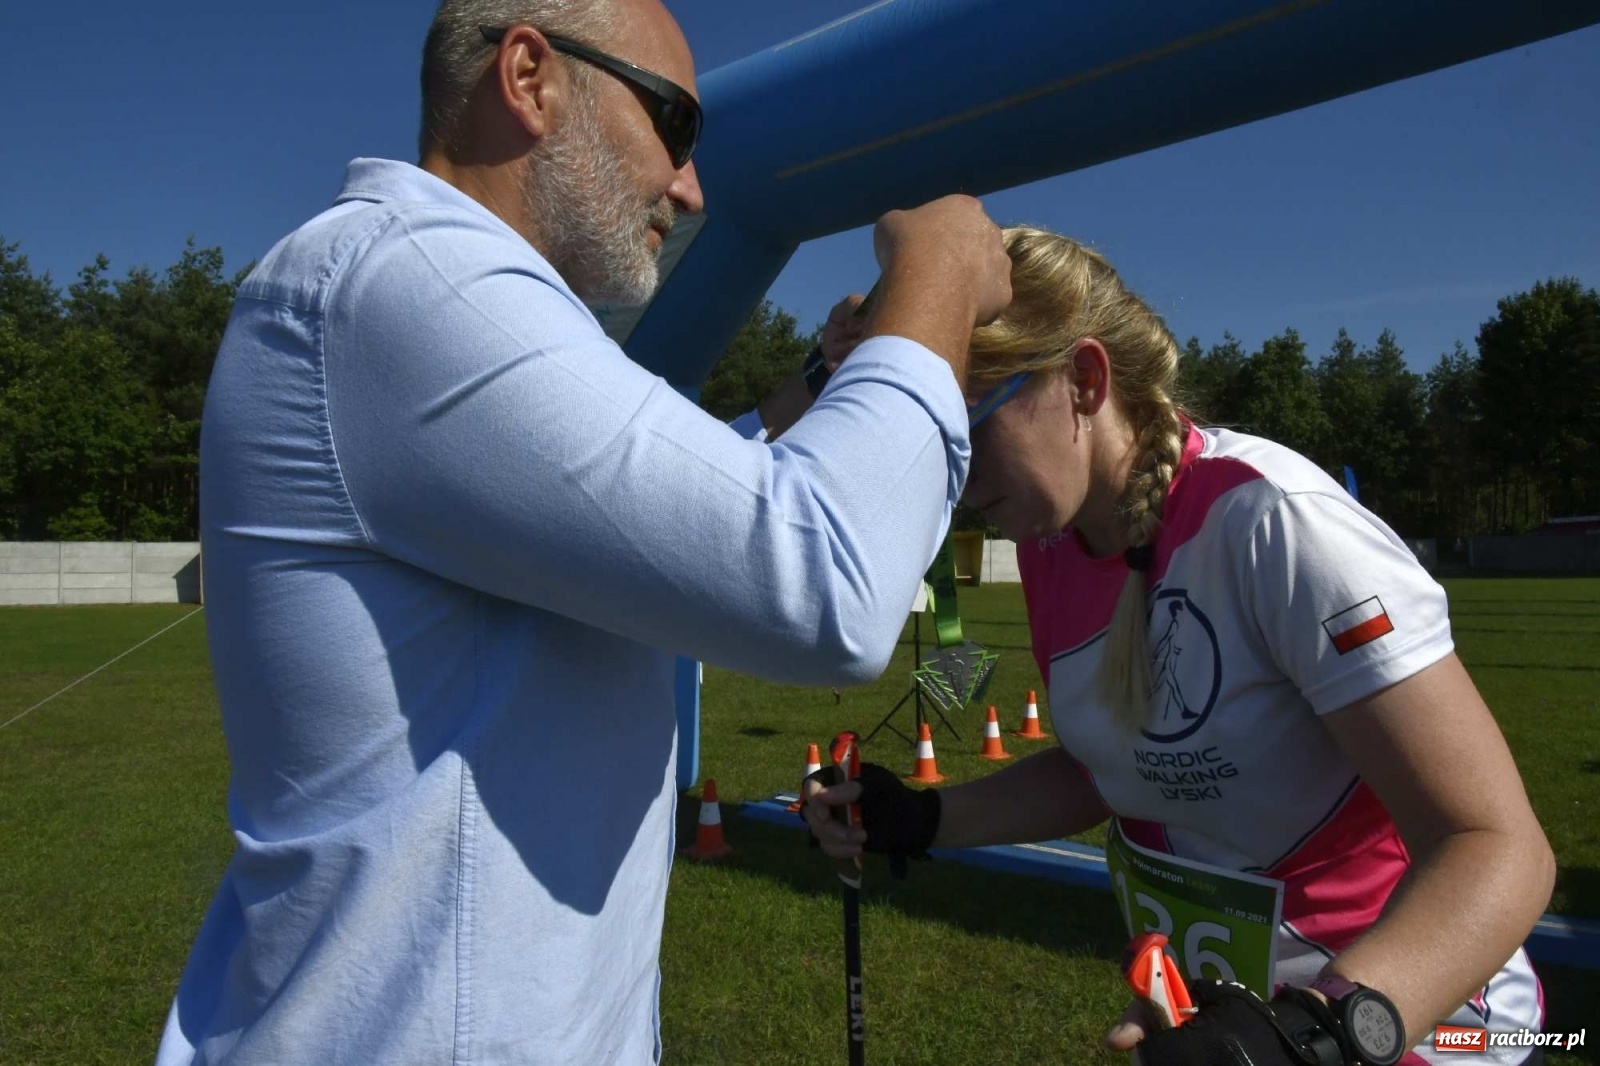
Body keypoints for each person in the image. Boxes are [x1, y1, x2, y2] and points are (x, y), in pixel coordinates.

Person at [154, 0, 1012, 1061]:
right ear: (530, 78)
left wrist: (821, 385)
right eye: (676, 126)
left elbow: (647, 498)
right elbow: (823, 582)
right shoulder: (412, 276)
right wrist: (938, 277)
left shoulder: (408, 292)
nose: (690, 187)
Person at [804, 227, 1555, 1066]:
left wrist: (1313, 1034)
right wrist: (922, 816)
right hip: (1228, 1023)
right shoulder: (1053, 544)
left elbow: (1495, 846)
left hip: (1412, 1023)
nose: (952, 476)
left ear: (1085, 381)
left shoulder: (1273, 522)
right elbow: (1113, 770)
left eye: (968, 427)